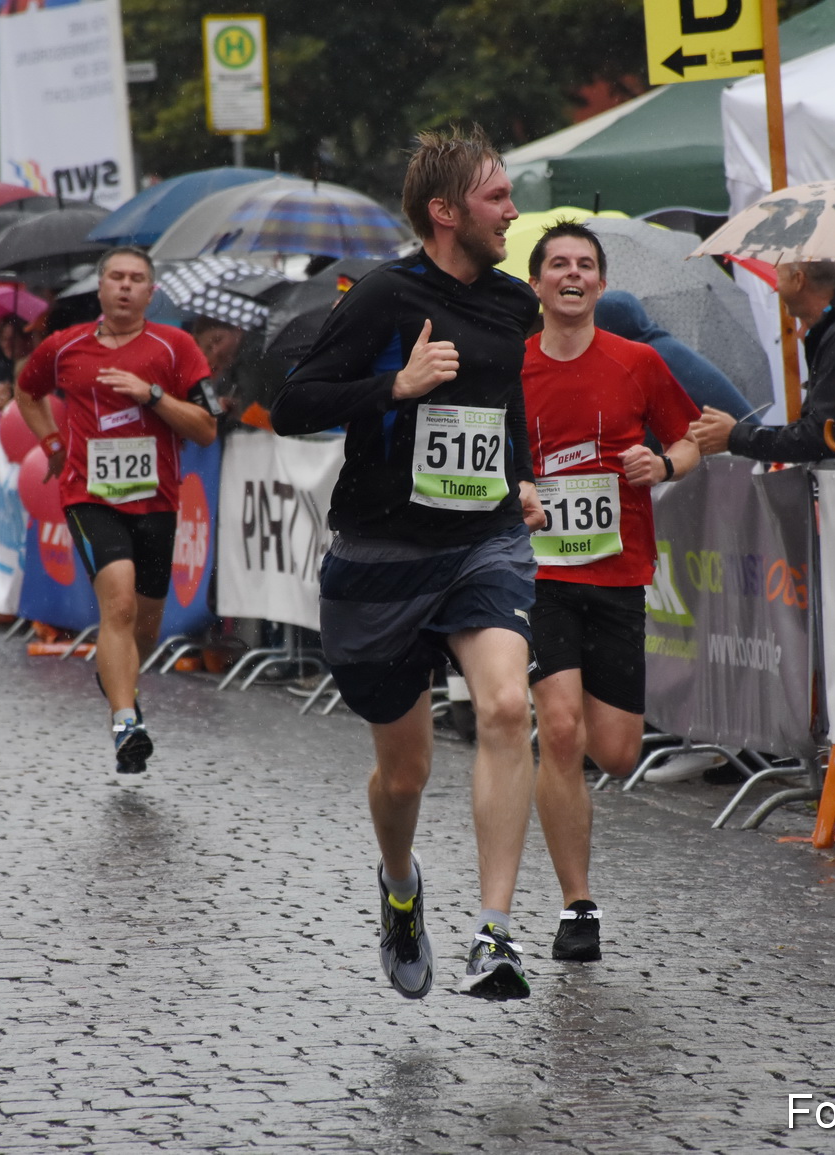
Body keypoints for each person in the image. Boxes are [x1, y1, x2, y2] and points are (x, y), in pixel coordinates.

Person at [270, 124, 546, 1001]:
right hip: (383, 553)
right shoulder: (384, 297)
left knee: (506, 705)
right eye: (497, 197)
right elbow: (292, 405)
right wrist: (394, 386)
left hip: (484, 541)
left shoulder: (512, 304)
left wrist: (523, 473)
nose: (512, 210)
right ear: (445, 210)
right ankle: (400, 886)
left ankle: (494, 933)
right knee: (406, 771)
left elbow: (505, 405)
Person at [520, 222, 700, 961]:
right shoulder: (512, 366)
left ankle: (578, 799)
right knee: (558, 730)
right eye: (557, 263)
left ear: (600, 284)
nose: (571, 274)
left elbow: (695, 435)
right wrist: (517, 485)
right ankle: (577, 906)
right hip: (537, 576)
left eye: (584, 265)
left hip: (619, 573)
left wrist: (665, 464)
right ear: (536, 284)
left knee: (618, 751)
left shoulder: (638, 361)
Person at [14, 247, 220, 775]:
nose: (126, 287)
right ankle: (127, 722)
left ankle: (119, 680)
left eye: (137, 280)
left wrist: (151, 395)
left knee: (144, 628)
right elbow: (26, 389)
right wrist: (53, 444)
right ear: (100, 288)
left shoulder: (175, 347)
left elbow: (206, 426)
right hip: (89, 495)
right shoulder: (65, 347)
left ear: (151, 293)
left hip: (157, 500)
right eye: (116, 278)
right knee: (119, 605)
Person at [689, 260, 835, 461]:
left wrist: (735, 436)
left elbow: (822, 436)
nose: (775, 288)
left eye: (778, 275)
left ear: (798, 280)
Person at [591, 290, 755, 419]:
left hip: (744, 454)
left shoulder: (649, 360)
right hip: (747, 445)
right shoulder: (662, 346)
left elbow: (649, 434)